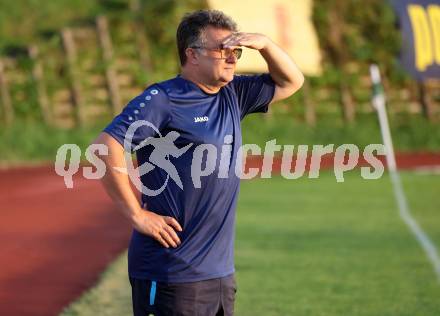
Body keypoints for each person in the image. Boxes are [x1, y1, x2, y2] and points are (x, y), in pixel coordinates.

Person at [93, 9, 304, 316]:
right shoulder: (164, 98)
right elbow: (105, 146)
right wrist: (137, 215)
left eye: (237, 51)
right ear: (192, 54)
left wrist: (266, 45)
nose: (233, 59)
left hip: (218, 274)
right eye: (224, 51)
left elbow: (291, 81)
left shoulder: (234, 93)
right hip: (170, 273)